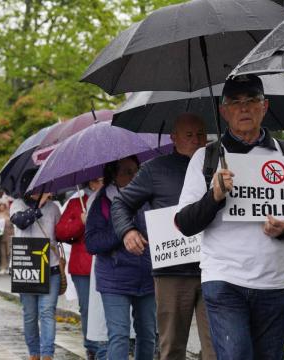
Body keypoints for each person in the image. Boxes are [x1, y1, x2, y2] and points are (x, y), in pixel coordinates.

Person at [175, 75, 284, 360]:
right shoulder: (205, 158)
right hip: (225, 279)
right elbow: (184, 223)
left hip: (275, 281)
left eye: (252, 101)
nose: (244, 108)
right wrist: (213, 196)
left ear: (265, 106)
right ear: (224, 111)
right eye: (235, 103)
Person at [111, 114, 214, 360]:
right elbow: (121, 203)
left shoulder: (219, 163)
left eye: (201, 134)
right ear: (173, 138)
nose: (196, 140)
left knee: (216, 347)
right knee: (172, 347)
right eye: (188, 135)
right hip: (173, 272)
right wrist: (128, 231)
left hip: (215, 268)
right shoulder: (155, 169)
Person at [85, 156, 156, 360]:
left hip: (147, 276)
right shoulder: (102, 202)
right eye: (126, 172)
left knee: (148, 334)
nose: (133, 176)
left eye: (136, 170)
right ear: (113, 176)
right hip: (114, 279)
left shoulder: (149, 196)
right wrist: (123, 229)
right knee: (119, 336)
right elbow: (92, 243)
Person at [10, 169, 61, 360]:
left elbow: (62, 232)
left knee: (47, 313)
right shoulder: (17, 204)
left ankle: (47, 354)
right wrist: (39, 205)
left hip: (51, 267)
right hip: (26, 268)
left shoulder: (54, 207)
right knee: (30, 315)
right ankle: (34, 354)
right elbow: (22, 222)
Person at [56, 178, 106, 360]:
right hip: (82, 266)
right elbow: (61, 232)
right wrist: (81, 222)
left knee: (107, 308)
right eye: (97, 180)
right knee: (87, 308)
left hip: (106, 262)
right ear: (90, 183)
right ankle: (92, 347)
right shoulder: (76, 202)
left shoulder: (111, 198)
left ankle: (106, 347)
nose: (101, 183)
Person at [0, 198, 13, 275]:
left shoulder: (9, 214)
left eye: (3, 206)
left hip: (8, 235)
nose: (2, 207)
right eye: (0, 206)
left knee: (9, 252)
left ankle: (10, 267)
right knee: (2, 253)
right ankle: (3, 267)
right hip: (0, 237)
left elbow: (12, 225)